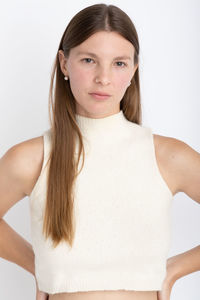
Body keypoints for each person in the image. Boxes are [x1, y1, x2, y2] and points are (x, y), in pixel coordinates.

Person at [0, 3, 199, 300]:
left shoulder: (168, 157)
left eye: (119, 63)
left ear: (133, 70)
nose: (103, 78)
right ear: (64, 63)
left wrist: (175, 269)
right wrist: (38, 266)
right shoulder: (32, 158)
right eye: (89, 60)